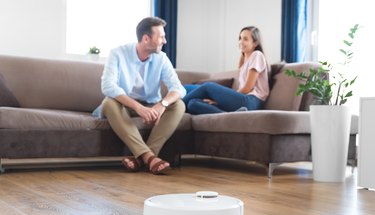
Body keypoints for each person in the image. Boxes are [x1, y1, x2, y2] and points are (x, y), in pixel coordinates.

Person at [92, 17, 186, 174]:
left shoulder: (161, 58)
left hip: (151, 104)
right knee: (109, 102)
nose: (165, 41)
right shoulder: (118, 54)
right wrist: (138, 107)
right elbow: (108, 86)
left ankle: (143, 158)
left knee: (179, 104)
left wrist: (162, 104)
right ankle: (150, 158)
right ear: (146, 38)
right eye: (161, 36)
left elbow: (178, 88)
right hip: (124, 106)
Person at [182, 26, 269, 114]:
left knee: (208, 87)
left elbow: (247, 88)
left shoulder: (257, 55)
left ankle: (171, 109)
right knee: (192, 103)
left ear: (255, 43)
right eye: (240, 38)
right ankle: (229, 116)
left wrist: (220, 99)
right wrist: (219, 101)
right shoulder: (245, 61)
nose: (241, 42)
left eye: (245, 39)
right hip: (243, 102)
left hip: (251, 101)